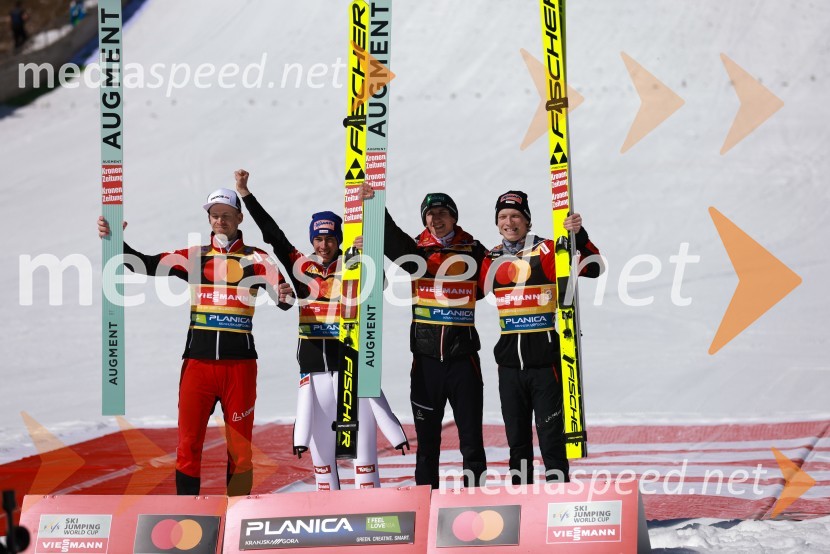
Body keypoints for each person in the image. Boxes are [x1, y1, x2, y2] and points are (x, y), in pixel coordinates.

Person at [97, 184, 294, 496]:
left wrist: (284, 296)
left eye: (226, 215)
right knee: (188, 445)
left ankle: (236, 513)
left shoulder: (258, 258)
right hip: (198, 367)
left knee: (240, 449)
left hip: (239, 369)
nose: (220, 220)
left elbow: (285, 299)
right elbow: (141, 263)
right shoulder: (194, 257)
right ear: (209, 219)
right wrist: (114, 241)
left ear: (239, 218)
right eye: (215, 215)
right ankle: (186, 516)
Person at [234, 170, 408, 490]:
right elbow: (273, 234)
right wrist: (246, 195)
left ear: (338, 239)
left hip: (350, 369)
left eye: (329, 238)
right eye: (318, 238)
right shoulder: (300, 266)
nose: (324, 245)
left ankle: (371, 510)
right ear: (311, 240)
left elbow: (380, 286)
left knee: (364, 463)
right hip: (313, 372)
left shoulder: (353, 262)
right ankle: (328, 509)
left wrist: (370, 254)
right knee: (323, 468)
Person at [478, 190, 603, 484]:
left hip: (545, 365)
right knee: (517, 442)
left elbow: (594, 266)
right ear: (496, 223)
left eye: (515, 216)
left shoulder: (547, 250)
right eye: (503, 217)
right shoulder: (490, 258)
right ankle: (522, 497)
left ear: (527, 220)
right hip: (509, 367)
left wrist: (579, 235)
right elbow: (468, 289)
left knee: (551, 439)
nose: (509, 222)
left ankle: (558, 495)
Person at [373, 189, 489, 489]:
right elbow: (390, 238)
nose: (436, 219)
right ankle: (426, 501)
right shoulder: (416, 251)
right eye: (430, 214)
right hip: (426, 363)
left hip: (464, 361)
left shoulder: (475, 249)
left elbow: (496, 281)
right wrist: (374, 202)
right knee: (426, 445)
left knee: (472, 441)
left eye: (442, 213)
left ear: (454, 217)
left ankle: (476, 500)